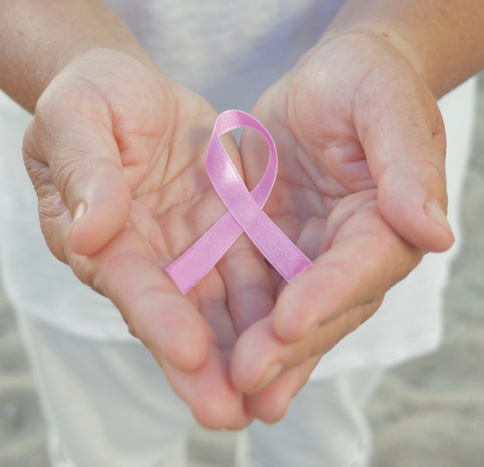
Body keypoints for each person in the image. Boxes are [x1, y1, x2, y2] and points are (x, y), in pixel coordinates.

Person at [0, 0, 482, 465]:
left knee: (317, 447)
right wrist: (68, 58)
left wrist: (400, 47)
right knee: (108, 448)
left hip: (355, 182)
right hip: (102, 176)